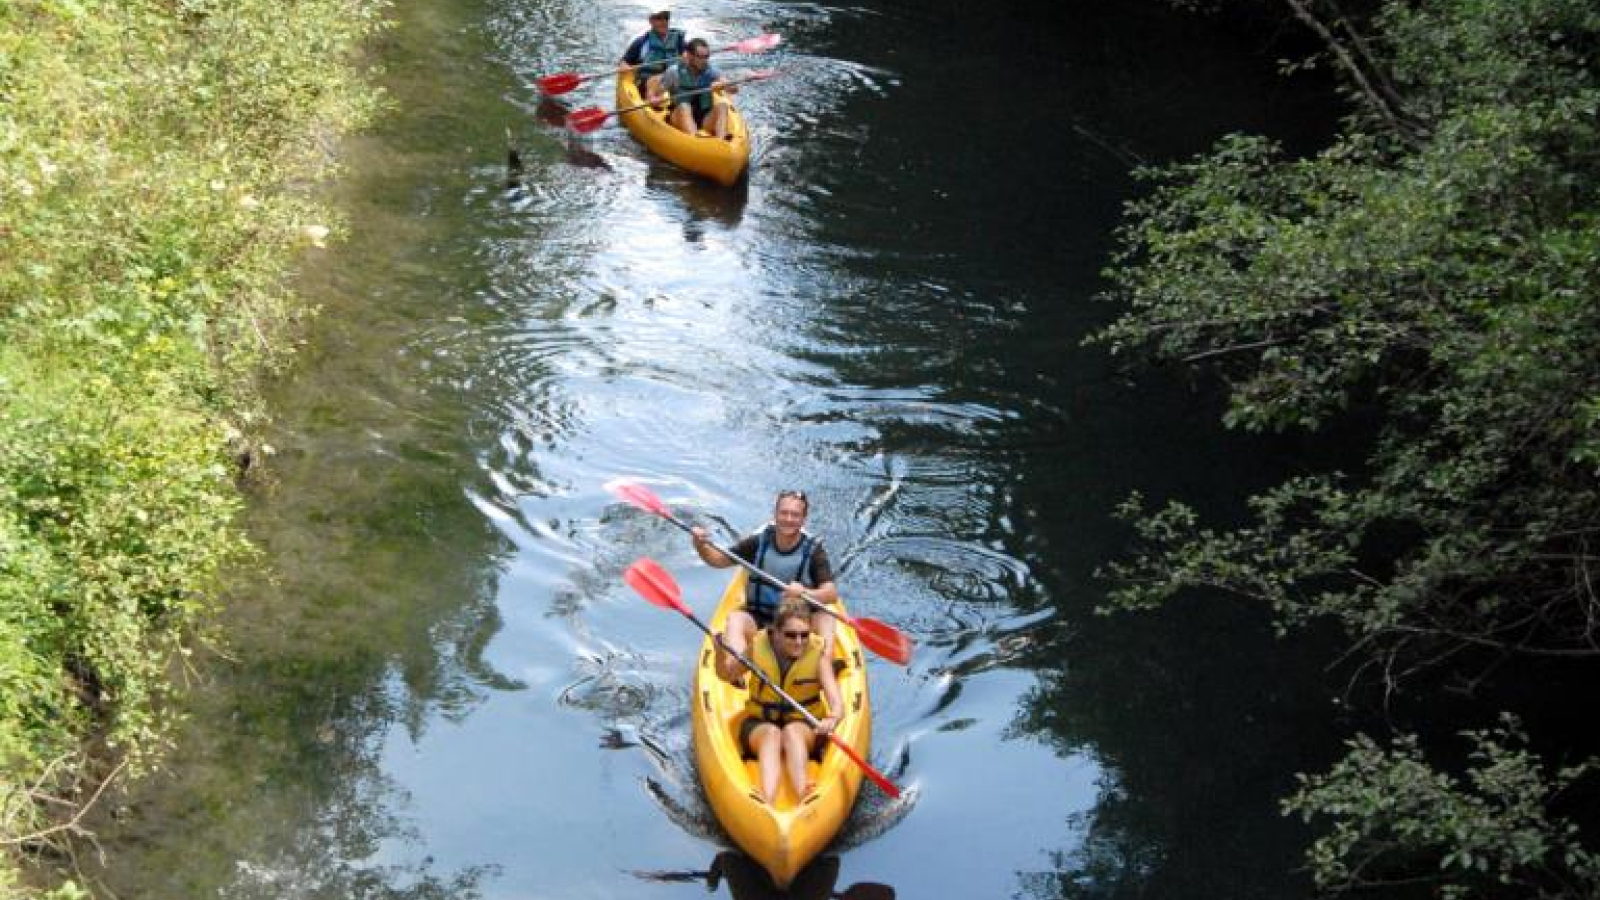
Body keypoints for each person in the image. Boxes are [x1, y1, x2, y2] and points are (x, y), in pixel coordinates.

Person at [738, 597, 843, 804]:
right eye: (791, 635)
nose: (799, 642)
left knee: (791, 731)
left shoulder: (818, 655)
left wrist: (832, 719)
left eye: (804, 635)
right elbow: (726, 675)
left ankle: (804, 792)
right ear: (775, 632)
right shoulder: (757, 647)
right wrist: (717, 652)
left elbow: (837, 705)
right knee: (773, 734)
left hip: (804, 727)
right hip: (760, 726)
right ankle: (765, 798)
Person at [652, 37, 737, 138]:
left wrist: (726, 85)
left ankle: (721, 142)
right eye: (700, 57)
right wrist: (656, 99)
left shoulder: (710, 71)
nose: (704, 60)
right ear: (689, 56)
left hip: (703, 118)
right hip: (679, 116)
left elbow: (734, 89)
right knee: (684, 106)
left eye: (706, 56)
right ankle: (694, 140)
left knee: (722, 106)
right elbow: (657, 94)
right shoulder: (674, 72)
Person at [620, 10, 685, 95]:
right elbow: (624, 62)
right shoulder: (642, 42)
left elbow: (688, 57)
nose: (663, 22)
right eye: (659, 18)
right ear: (651, 21)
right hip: (648, 83)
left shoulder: (678, 41)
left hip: (673, 82)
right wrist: (624, 66)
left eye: (666, 18)